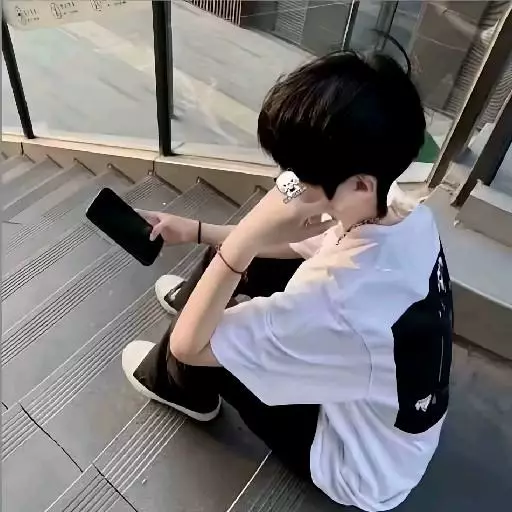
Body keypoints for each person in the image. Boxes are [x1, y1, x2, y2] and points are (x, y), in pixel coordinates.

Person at [122, 46, 453, 511]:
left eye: (299, 178)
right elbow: (304, 238)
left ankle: (177, 385)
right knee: (247, 255)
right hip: (388, 422)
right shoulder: (402, 208)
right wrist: (196, 230)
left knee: (213, 309)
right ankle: (196, 301)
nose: (287, 185)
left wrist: (241, 242)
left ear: (359, 184)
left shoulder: (339, 300)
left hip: (354, 464)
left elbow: (189, 346)